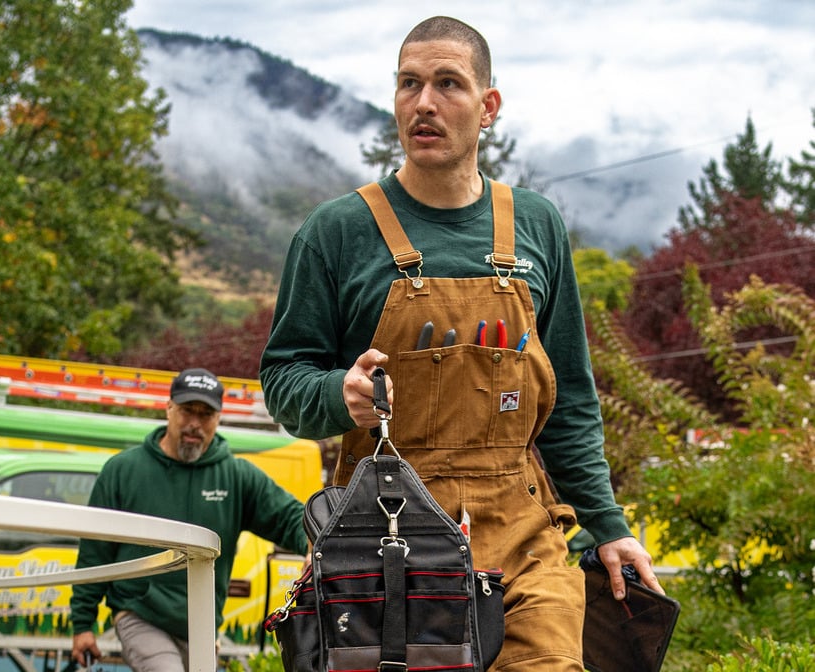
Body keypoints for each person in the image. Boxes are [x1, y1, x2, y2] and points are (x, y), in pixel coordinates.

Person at [259, 15, 663, 672]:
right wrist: (339, 393)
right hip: (387, 531)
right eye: (409, 84)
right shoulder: (335, 232)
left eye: (448, 83)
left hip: (521, 529)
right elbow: (283, 380)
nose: (424, 102)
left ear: (488, 107)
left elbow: (571, 401)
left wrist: (609, 526)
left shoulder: (535, 224)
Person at [70, 368, 308, 672]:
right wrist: (82, 624)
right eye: (187, 411)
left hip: (202, 624)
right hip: (140, 613)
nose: (195, 423)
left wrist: (312, 545)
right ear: (168, 408)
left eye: (206, 414)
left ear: (219, 418)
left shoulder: (237, 477)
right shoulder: (122, 471)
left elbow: (291, 518)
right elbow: (95, 551)